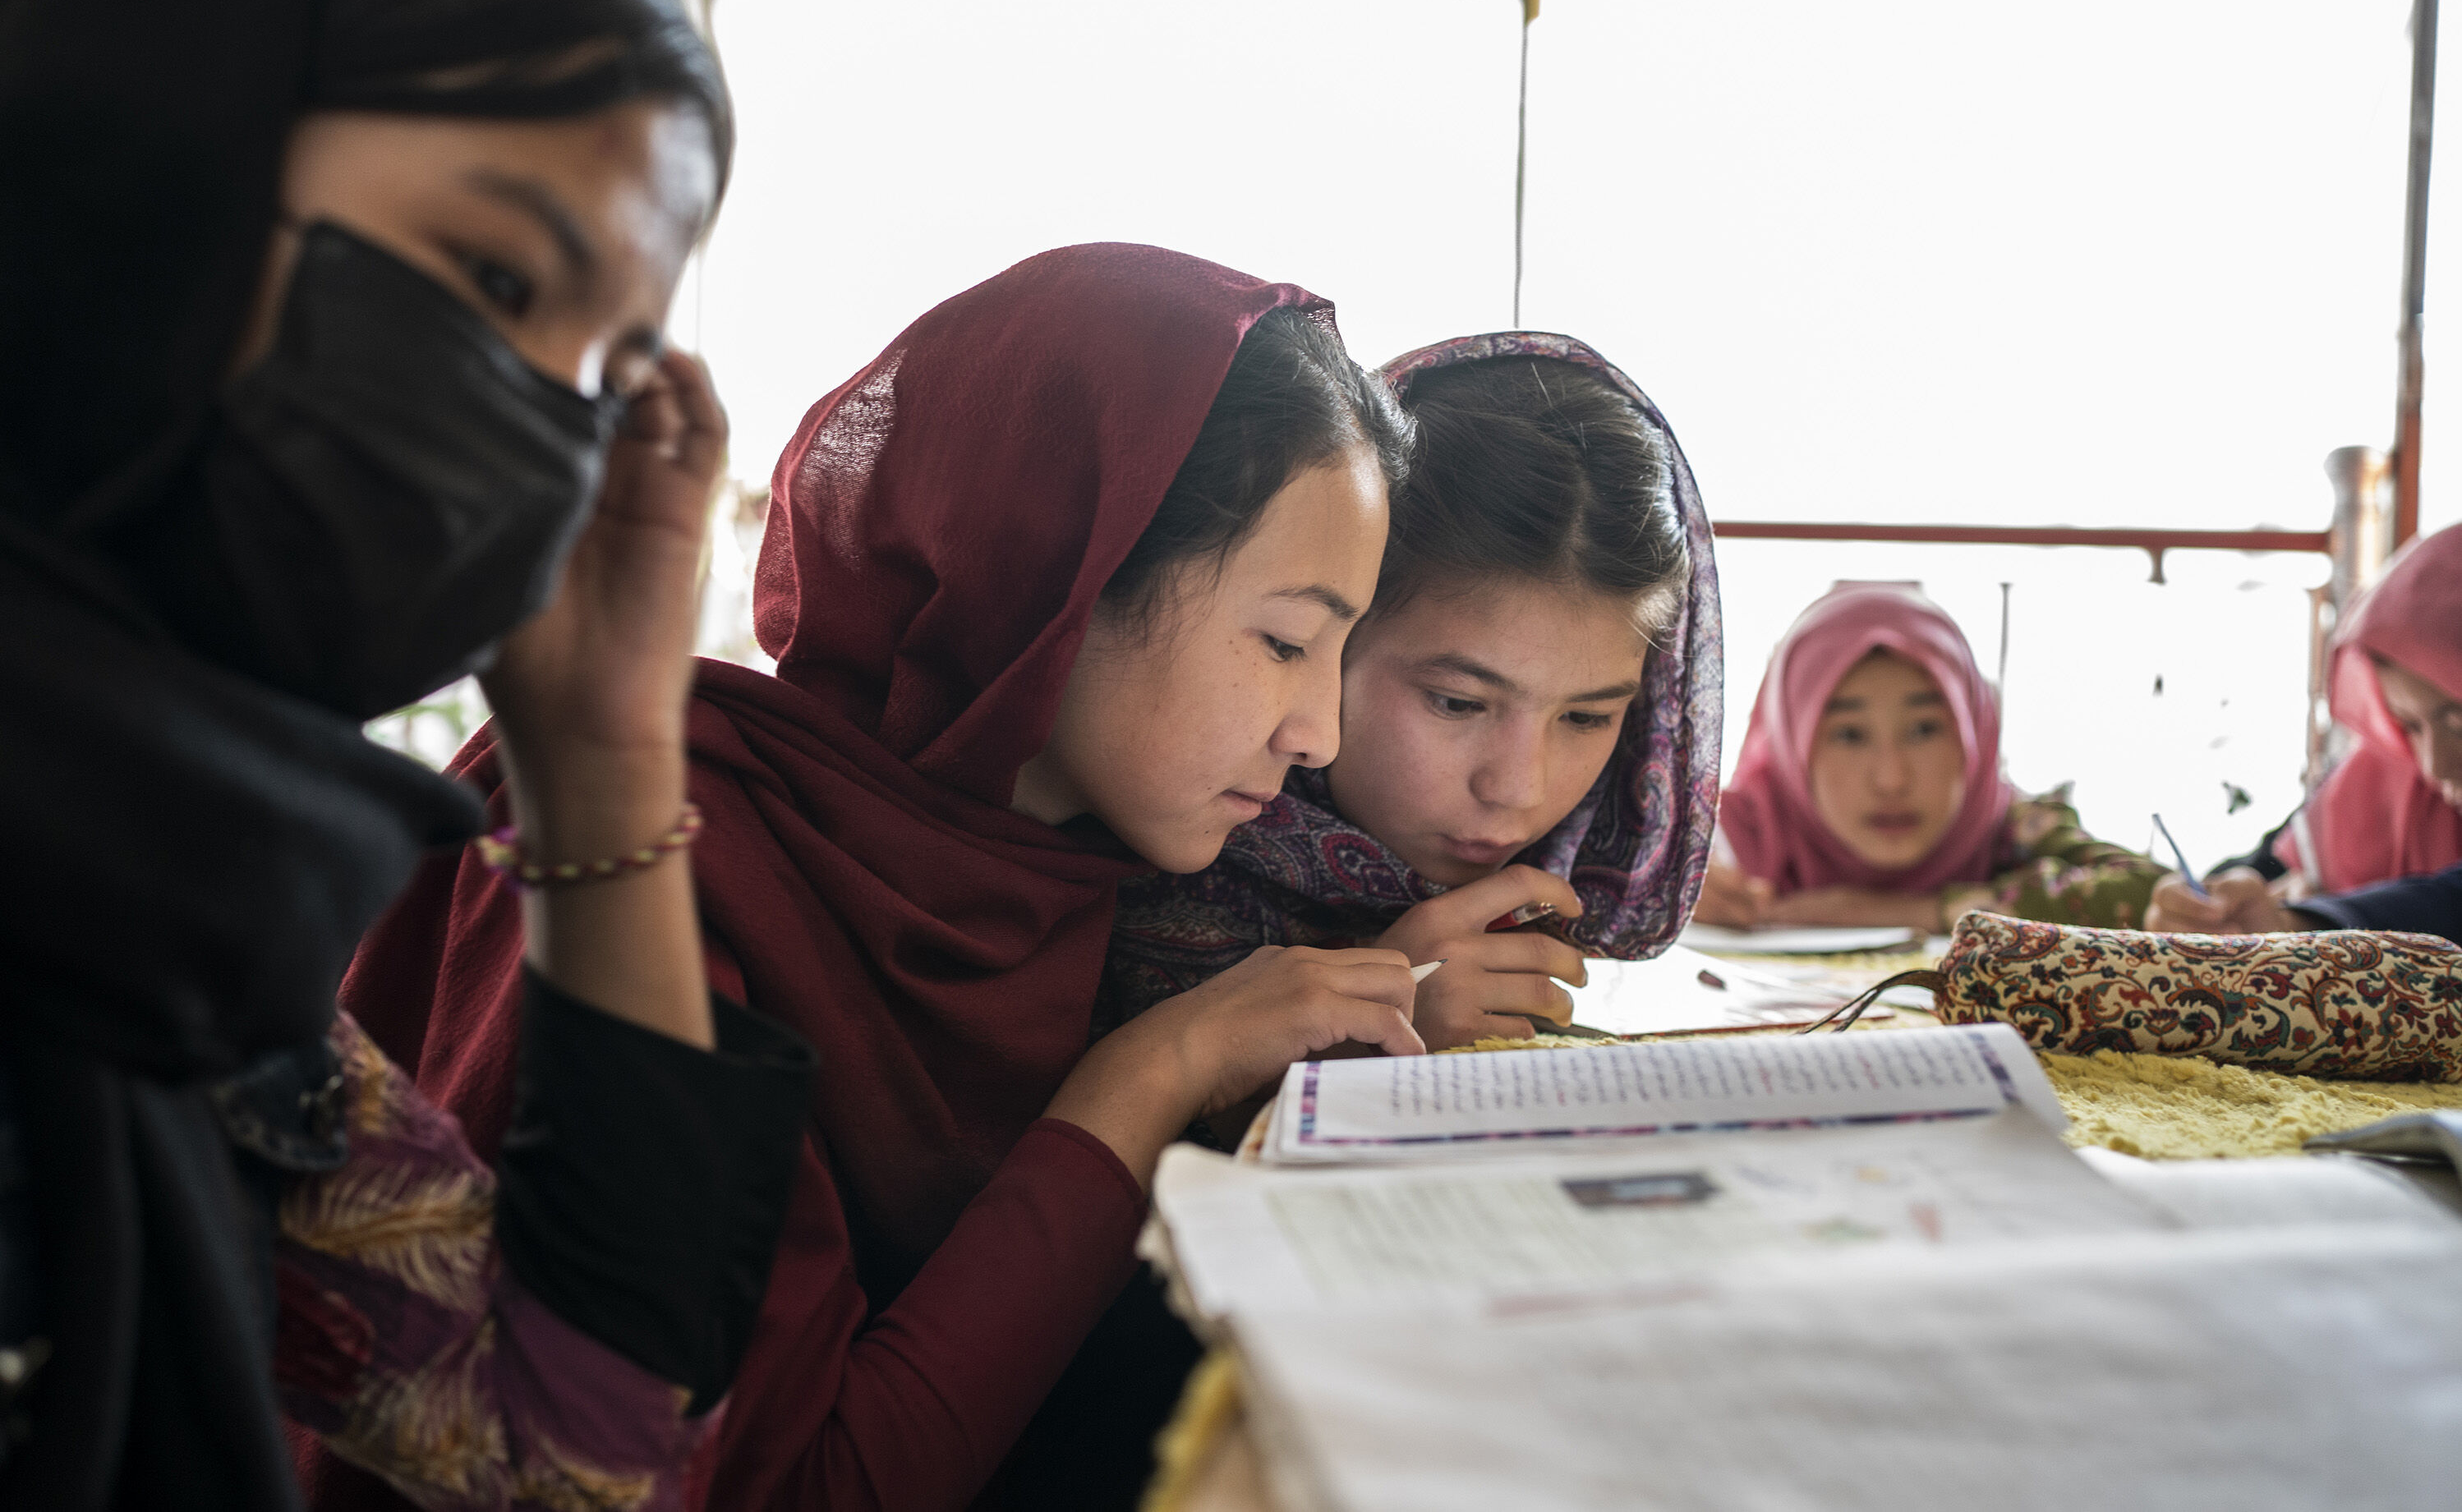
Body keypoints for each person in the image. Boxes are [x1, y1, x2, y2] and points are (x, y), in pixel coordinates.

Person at [330, 246, 1428, 1512]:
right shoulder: (633, 847)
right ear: (1061, 576)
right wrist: (1142, 1082)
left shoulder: (1062, 877)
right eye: (1285, 640)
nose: (1319, 735)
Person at [0, 0, 817, 1508]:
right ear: (132, 117)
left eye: (599, 376)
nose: (538, 449)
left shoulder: (179, 933)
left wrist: (598, 749)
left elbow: (573, 1452)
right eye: (502, 282)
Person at [1105, 332, 1721, 1055]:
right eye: (1457, 703)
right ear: (1331, 635)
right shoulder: (1138, 836)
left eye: (1586, 716)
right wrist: (1373, 1031)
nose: (1518, 789)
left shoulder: (1578, 912)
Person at [1696, 584, 2163, 935]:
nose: (1892, 779)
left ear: (1971, 730)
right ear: (1791, 743)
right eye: (1850, 734)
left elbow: (2152, 892)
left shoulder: (2009, 826)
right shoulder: (1718, 838)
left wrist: (1917, 912)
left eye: (1924, 730)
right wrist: (1664, 897)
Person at [2149, 523, 2462, 937]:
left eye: (2458, 721)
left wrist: (2301, 922)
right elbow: (2256, 874)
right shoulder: (2380, 778)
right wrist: (2199, 908)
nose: (2435, 765)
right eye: (2409, 726)